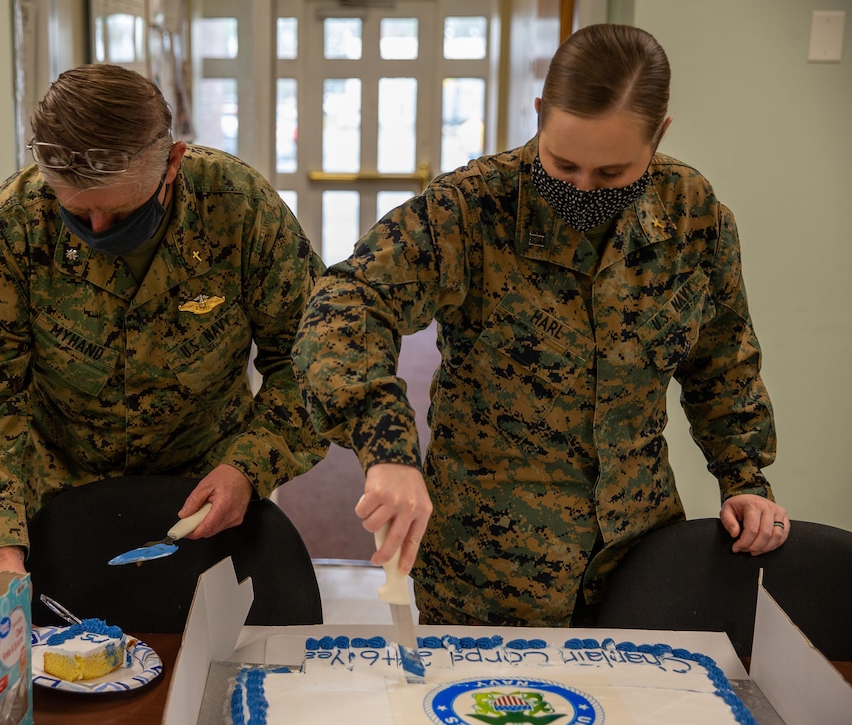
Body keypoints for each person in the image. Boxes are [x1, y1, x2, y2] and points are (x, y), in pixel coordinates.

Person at [293, 23, 788, 627]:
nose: (583, 188)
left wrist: (744, 478)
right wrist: (388, 449)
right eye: (564, 164)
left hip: (637, 555)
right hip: (488, 566)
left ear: (659, 136)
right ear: (540, 114)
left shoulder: (691, 213)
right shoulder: (471, 208)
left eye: (611, 175)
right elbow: (347, 301)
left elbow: (722, 357)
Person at [0, 64, 327, 574]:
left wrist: (248, 467)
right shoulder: (14, 226)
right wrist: (4, 548)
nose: (98, 230)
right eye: (77, 213)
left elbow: (311, 364)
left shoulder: (238, 210)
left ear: (172, 164)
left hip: (209, 494)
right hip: (61, 500)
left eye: (120, 213)